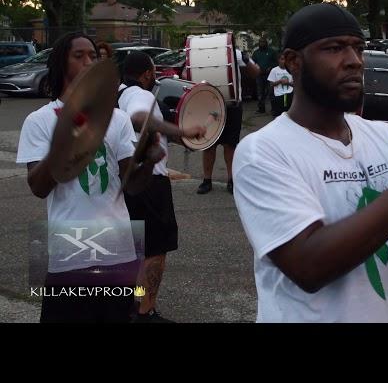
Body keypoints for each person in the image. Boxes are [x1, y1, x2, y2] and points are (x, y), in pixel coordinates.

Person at [232, 3, 388, 323]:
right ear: (292, 62)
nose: (354, 61)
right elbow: (308, 266)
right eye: (334, 49)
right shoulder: (263, 152)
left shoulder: (385, 137)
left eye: (358, 48)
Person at [16, 32, 164, 323]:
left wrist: (148, 160)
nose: (88, 61)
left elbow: (131, 185)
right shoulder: (39, 120)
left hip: (118, 248)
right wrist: (66, 140)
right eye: (79, 55)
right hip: (68, 249)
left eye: (93, 56)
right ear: (61, 63)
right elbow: (38, 187)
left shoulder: (117, 118)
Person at [117, 51, 205, 322]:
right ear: (146, 74)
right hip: (150, 181)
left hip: (127, 178)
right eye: (153, 71)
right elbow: (139, 118)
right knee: (155, 249)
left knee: (132, 248)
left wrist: (170, 135)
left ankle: (130, 306)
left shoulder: (118, 94)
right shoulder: (140, 94)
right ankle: (145, 311)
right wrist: (183, 131)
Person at [197, 45, 260, 195]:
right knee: (208, 145)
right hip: (209, 104)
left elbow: (256, 72)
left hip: (232, 104)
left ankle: (231, 180)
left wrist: (246, 58)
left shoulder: (236, 54)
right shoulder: (203, 53)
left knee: (230, 145)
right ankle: (207, 180)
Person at [252, 37, 278, 113]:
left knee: (271, 92)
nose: (262, 43)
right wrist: (256, 68)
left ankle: (274, 109)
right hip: (259, 75)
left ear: (266, 43)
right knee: (260, 93)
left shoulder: (271, 52)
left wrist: (270, 67)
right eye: (260, 42)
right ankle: (261, 109)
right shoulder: (256, 52)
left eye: (263, 42)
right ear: (259, 43)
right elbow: (252, 63)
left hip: (270, 75)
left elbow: (276, 62)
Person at [267, 52, 294, 117]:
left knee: (290, 115)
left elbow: (295, 84)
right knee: (278, 115)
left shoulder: (291, 69)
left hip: (289, 95)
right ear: (278, 60)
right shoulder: (274, 70)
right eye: (282, 59)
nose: (283, 61)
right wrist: (279, 81)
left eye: (285, 59)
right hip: (278, 96)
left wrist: (288, 83)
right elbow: (271, 84)